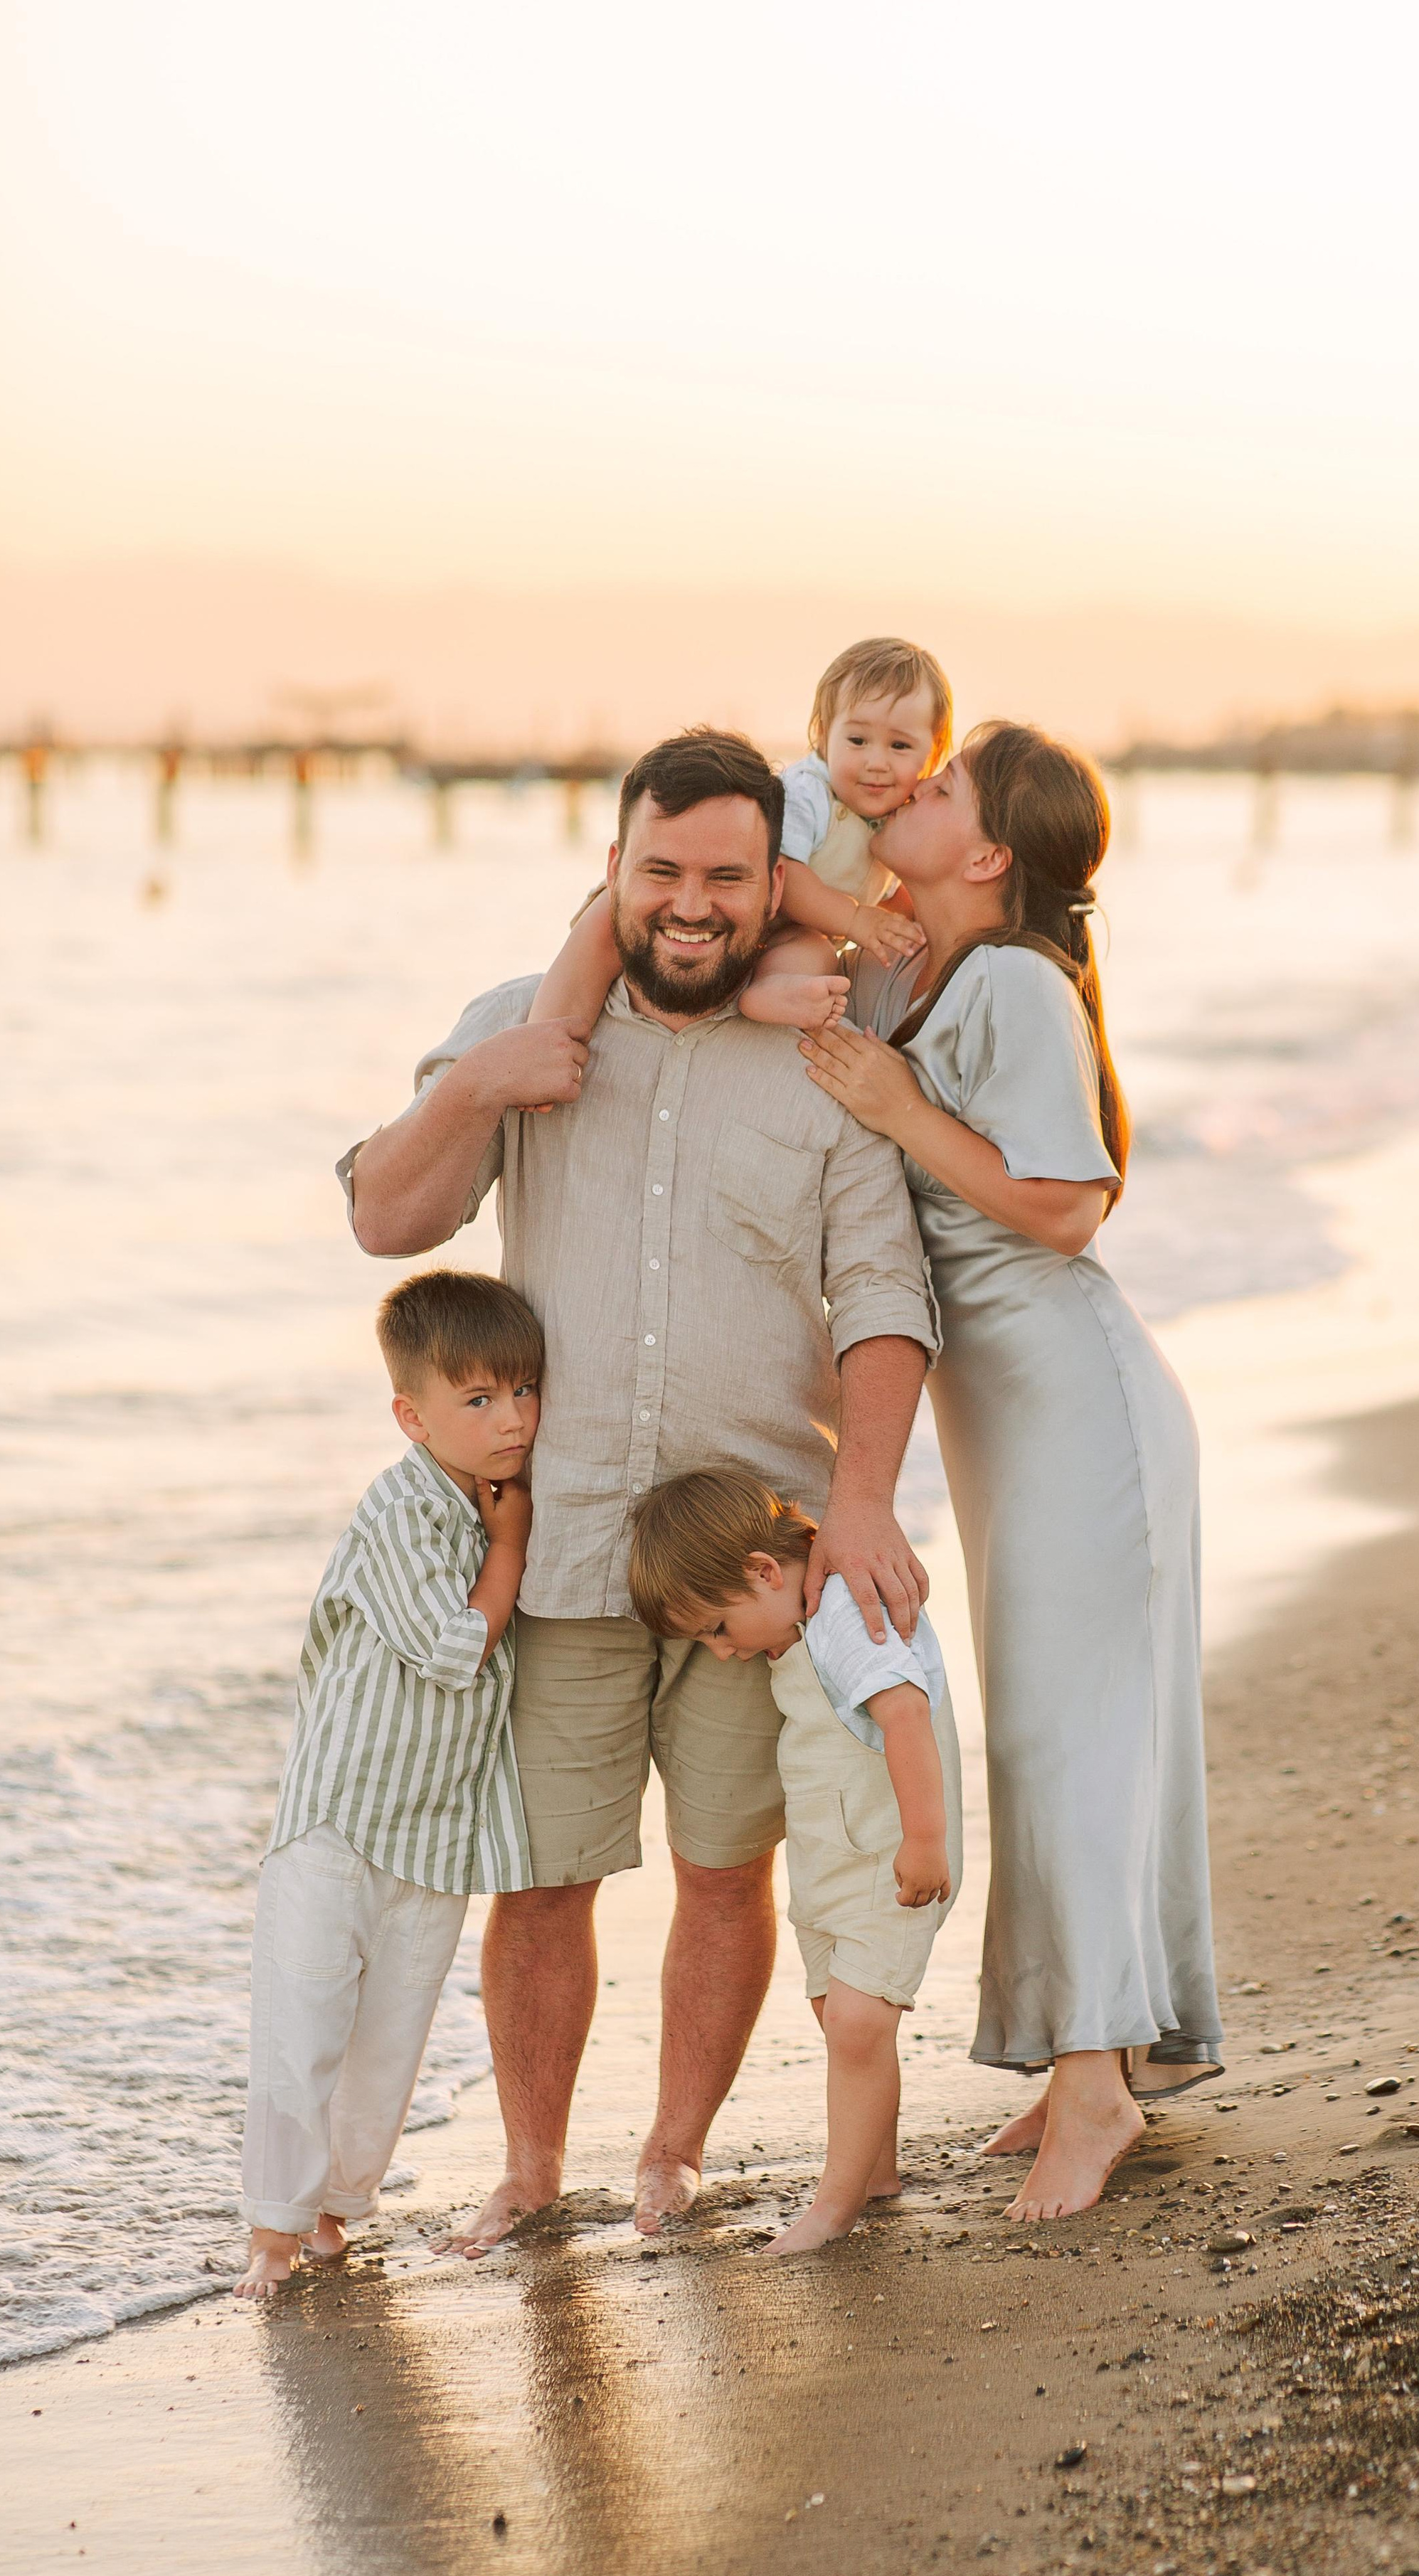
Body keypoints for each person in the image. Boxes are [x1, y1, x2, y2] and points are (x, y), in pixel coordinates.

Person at [342, 726, 937, 2247]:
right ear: (610, 871)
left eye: (726, 877)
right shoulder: (523, 1027)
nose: (692, 902)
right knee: (541, 1880)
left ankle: (669, 2154)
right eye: (660, 871)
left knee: (723, 1867)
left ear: (769, 884)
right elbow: (384, 1216)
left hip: (749, 1556)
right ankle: (534, 2170)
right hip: (564, 1540)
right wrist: (483, 1083)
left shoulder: (826, 1049)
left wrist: (862, 1501)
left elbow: (881, 1298)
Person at [800, 721, 1223, 2224]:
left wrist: (900, 1113)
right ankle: (1089, 2058)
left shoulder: (1019, 985)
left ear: (989, 855)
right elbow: (803, 858)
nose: (909, 790)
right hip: (1020, 1413)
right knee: (1064, 1728)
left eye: (943, 787)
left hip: (1074, 1405)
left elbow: (1066, 1203)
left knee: (1069, 1739)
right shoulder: (952, 973)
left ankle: (1098, 2085)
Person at [236, 1271, 541, 2298]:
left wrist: (505, 1533)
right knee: (304, 2028)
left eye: (521, 1393)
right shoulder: (404, 1508)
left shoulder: (487, 1497)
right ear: (412, 1415)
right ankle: (270, 2237)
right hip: (340, 1826)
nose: (511, 1420)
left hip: (435, 1836)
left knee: (388, 2046)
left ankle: (333, 2213)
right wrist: (508, 1549)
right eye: (479, 1400)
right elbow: (453, 1646)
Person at [628, 1468, 960, 2254]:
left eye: (716, 1627)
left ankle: (832, 2208)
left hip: (888, 1859)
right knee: (841, 2020)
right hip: (830, 1865)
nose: (719, 1653)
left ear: (763, 1571)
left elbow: (906, 1715)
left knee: (855, 2021)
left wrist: (924, 1843)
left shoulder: (844, 1612)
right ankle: (873, 2170)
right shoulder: (799, 1620)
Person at [528, 639, 950, 1037]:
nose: (876, 762)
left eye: (899, 746)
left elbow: (904, 890)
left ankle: (767, 992)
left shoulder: (902, 821)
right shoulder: (811, 793)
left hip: (781, 933)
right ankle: (552, 1033)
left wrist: (903, 925)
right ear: (823, 736)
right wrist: (857, 919)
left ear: (932, 753)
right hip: (726, 898)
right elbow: (789, 881)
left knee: (816, 955)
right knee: (605, 925)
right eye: (857, 741)